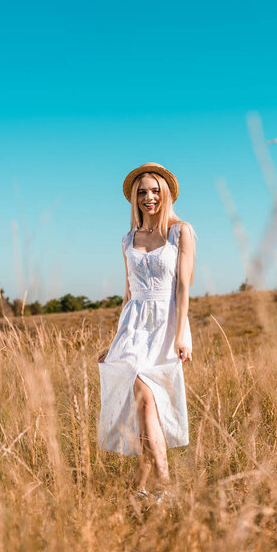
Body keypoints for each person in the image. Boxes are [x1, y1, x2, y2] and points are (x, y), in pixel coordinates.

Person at [97, 162, 196, 504]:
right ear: (134, 199)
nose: (148, 197)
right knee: (142, 397)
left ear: (165, 194)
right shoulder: (128, 239)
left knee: (147, 408)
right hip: (133, 326)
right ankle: (166, 486)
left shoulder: (180, 232)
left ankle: (141, 485)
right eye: (142, 192)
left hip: (166, 325)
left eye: (155, 191)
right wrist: (113, 342)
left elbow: (183, 287)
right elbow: (128, 292)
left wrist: (182, 333)